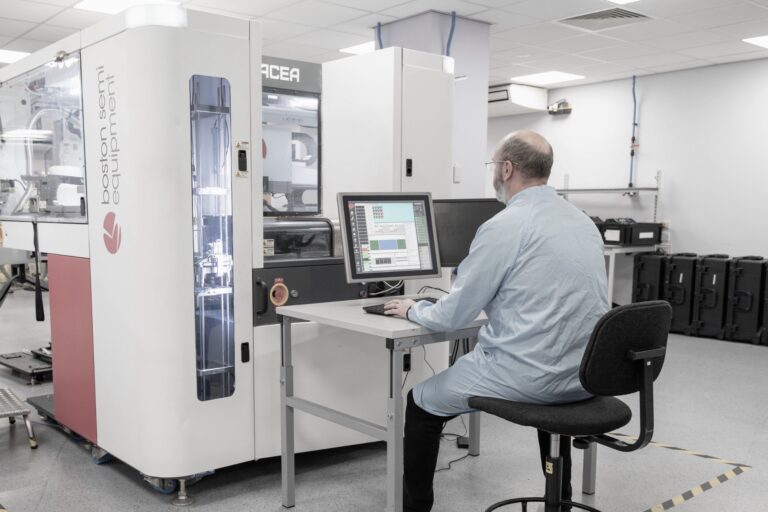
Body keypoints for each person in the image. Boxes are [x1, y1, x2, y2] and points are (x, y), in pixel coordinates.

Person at [384, 130, 609, 512]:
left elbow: (452, 316)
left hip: (528, 377)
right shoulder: (582, 222)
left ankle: (415, 508)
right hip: (584, 376)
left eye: (493, 165)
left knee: (419, 402)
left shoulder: (505, 225)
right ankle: (561, 501)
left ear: (506, 168)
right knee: (545, 389)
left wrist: (412, 308)